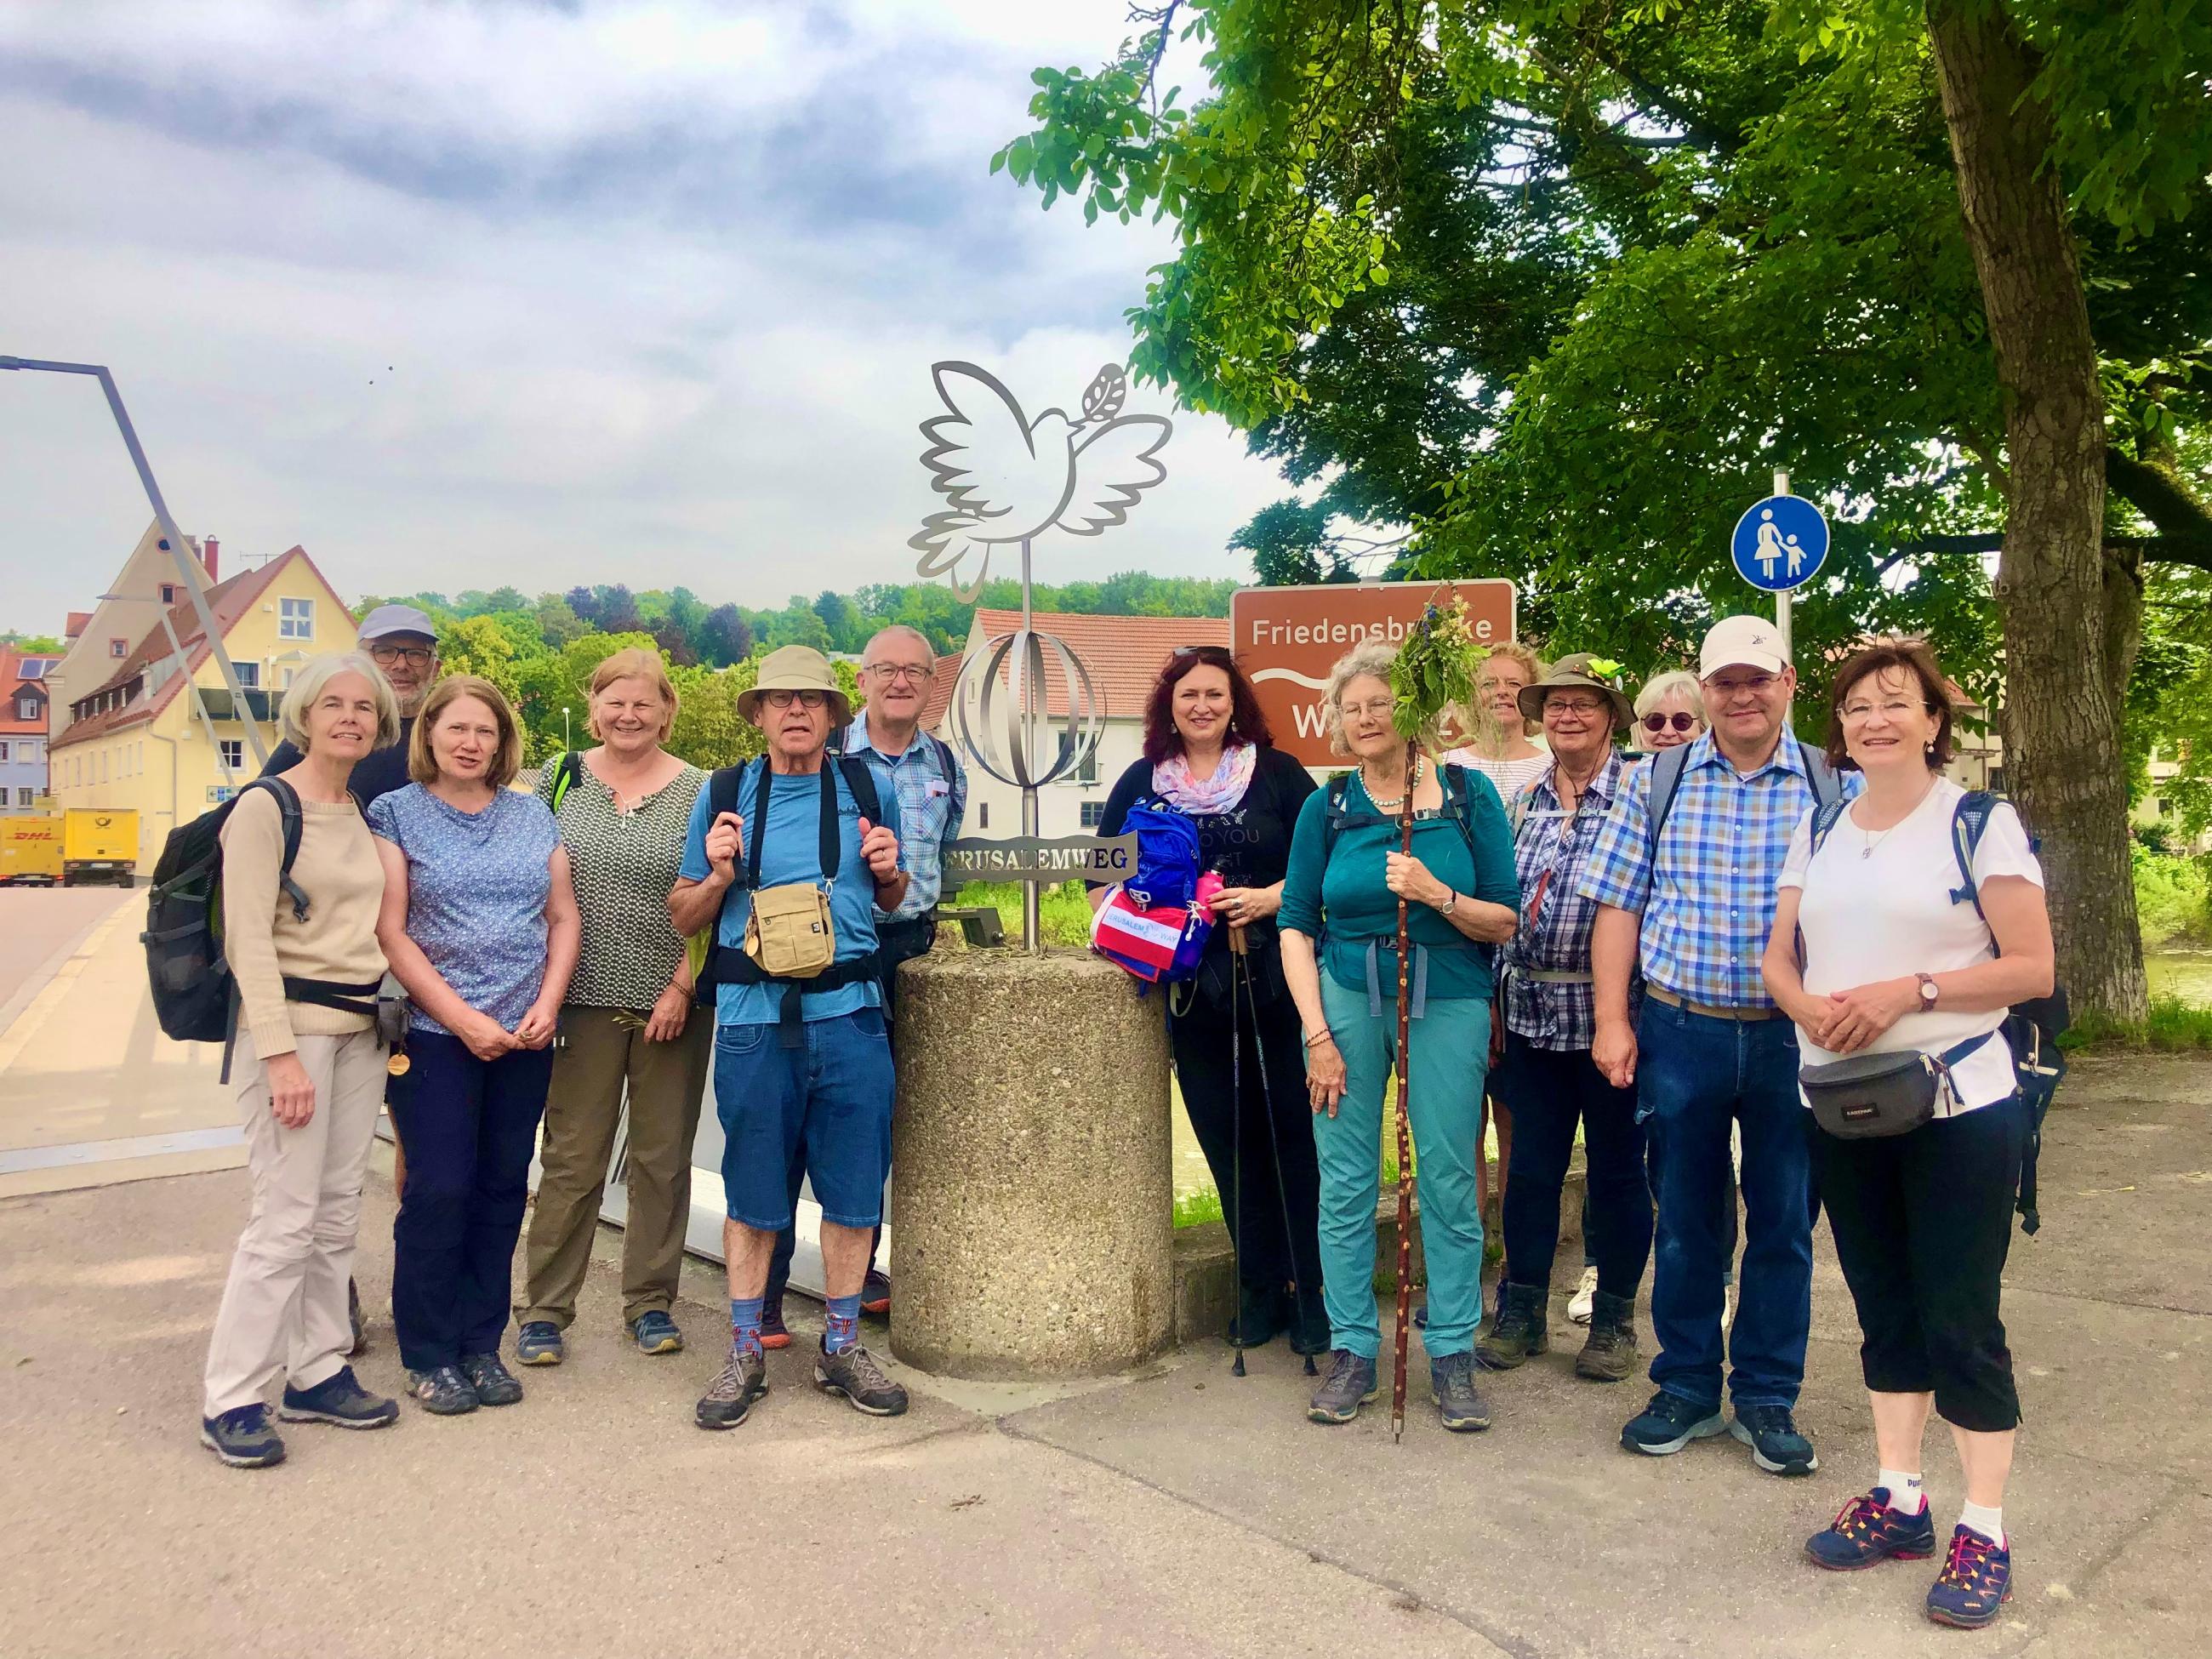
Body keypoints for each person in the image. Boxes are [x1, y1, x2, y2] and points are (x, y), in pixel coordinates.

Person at [1764, 638, 2052, 1629]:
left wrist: (1910, 991)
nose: (1872, 718)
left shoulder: (1978, 822)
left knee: (1958, 1316)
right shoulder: (1819, 824)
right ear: (1836, 729)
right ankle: (1897, 1498)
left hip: (1959, 1108)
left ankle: (1983, 1525)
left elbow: (2030, 969)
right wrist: (1803, 1006)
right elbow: (1777, 958)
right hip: (1841, 1100)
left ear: (1934, 721)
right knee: (1882, 1305)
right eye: (1854, 707)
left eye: (1895, 703)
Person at [1581, 614, 1847, 1477]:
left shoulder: (1827, 786)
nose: (1740, 696)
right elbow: (1617, 906)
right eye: (1723, 683)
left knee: (1782, 1221)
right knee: (1687, 1221)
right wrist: (1611, 1020)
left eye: (1756, 680)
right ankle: (1686, 1385)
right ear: (1703, 691)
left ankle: (1766, 1396)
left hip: (1790, 1040)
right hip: (1679, 1027)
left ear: (1787, 684)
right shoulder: (1653, 781)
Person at [1280, 639, 1519, 1432]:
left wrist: (1435, 892)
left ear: (1411, 710)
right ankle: (1353, 1346)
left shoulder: (1465, 794)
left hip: (1446, 997)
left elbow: (1503, 917)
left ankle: (1450, 1349)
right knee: (1344, 1178)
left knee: (1449, 1174)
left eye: (1379, 703)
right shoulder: (1331, 804)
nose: (1365, 719)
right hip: (1347, 998)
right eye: (1351, 709)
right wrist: (1316, 1032)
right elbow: (1294, 923)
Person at [670, 645, 909, 1430]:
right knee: (751, 1188)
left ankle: (840, 1344)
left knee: (852, 1188)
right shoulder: (727, 792)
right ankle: (746, 1348)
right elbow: (683, 915)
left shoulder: (870, 789)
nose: (796, 711)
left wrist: (891, 871)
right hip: (753, 1018)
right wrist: (714, 874)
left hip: (849, 1013)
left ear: (836, 714)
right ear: (760, 714)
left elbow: (893, 896)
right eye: (780, 700)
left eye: (812, 698)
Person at [198, 654, 402, 1467]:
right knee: (282, 1218)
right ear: (304, 716)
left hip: (359, 1034)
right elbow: (247, 938)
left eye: (364, 707)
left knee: (335, 1209)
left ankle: (316, 1370)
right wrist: (279, 1055)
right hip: (292, 1036)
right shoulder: (264, 806)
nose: (350, 718)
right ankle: (232, 1394)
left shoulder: (357, 811)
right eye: (334, 705)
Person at [1092, 644, 1324, 1353]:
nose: (1201, 706)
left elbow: (1328, 867)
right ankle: (1256, 1288)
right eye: (1189, 694)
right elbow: (1099, 883)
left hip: (1284, 987)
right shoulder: (1140, 785)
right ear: (1170, 704)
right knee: (1229, 1143)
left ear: (1235, 703)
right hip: (1195, 995)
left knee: (1296, 1138)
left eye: (1215, 695)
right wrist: (1163, 920)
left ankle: (1312, 1292)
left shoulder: (1280, 777)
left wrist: (1268, 898)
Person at [369, 676, 579, 1416]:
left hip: (525, 1035)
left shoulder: (533, 816)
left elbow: (561, 917)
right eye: (455, 728)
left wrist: (547, 1004)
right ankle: (428, 1352)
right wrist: (463, 1020)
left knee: (499, 1188)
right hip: (435, 1036)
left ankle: (480, 1345)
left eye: (484, 731)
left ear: (502, 741)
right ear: (427, 735)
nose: (469, 743)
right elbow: (391, 930)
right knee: (440, 1187)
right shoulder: (394, 813)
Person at [760, 624, 966, 1341]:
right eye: (887, 669)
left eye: (915, 670)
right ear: (863, 683)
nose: (901, 681)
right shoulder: (827, 755)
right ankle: (770, 1290)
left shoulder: (946, 763)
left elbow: (943, 856)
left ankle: (861, 1272)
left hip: (908, 947)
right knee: (787, 1125)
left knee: (868, 1120)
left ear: (932, 681)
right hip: (821, 954)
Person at [515, 649, 711, 1365]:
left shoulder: (701, 790)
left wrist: (682, 986)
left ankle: (650, 1303)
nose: (629, 716)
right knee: (571, 1159)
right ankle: (544, 1310)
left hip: (674, 1002)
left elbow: (720, 898)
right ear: (594, 707)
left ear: (667, 711)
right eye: (614, 703)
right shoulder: (558, 781)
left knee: (662, 1159)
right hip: (579, 1001)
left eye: (644, 705)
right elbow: (524, 880)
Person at [260, 601, 444, 1355]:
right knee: (312, 1171)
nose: (401, 665)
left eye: (415, 654)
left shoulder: (437, 743)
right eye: (386, 652)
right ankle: (324, 1303)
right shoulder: (294, 763)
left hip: (419, 985)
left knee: (419, 1151)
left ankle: (414, 1292)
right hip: (328, 992)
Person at [1475, 655, 1650, 1384]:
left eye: (1585, 704)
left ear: (1612, 716)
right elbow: (1497, 899)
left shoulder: (1643, 792)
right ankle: (1521, 1311)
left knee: (1616, 1171)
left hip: (1617, 1017)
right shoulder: (1522, 803)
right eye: (1556, 705)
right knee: (1533, 1172)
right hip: (1530, 1013)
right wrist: (1490, 1000)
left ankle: (1612, 1320)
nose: (1568, 716)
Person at [1444, 641, 1552, 801]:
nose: (1502, 691)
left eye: (1514, 684)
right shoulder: (1445, 766)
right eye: (1489, 684)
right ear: (1471, 697)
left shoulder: (1552, 769)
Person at [1630, 670, 1707, 759]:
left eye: (1681, 721)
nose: (1668, 732)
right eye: (1655, 721)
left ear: (1702, 727)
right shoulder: (1624, 772)